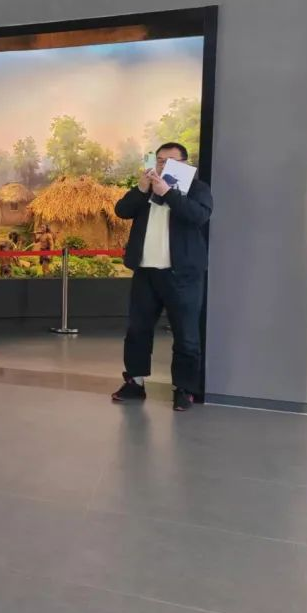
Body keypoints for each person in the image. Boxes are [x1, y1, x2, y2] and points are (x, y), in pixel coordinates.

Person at [111, 142, 213, 412]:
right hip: (145, 272)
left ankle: (184, 389)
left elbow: (199, 216)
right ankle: (135, 382)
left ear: (185, 163)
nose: (163, 165)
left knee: (186, 334)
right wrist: (141, 189)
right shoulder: (144, 189)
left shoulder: (197, 189)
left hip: (183, 275)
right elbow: (121, 210)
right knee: (137, 330)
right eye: (159, 160)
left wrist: (168, 192)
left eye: (170, 161)